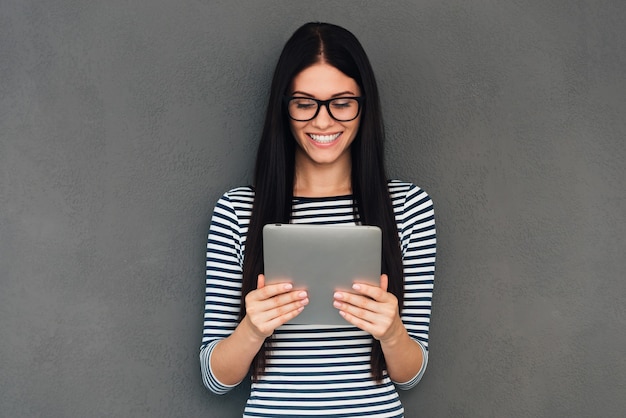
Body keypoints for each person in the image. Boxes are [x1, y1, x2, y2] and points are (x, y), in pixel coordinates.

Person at [200, 22, 436, 417]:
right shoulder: (238, 212)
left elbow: (410, 375)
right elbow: (216, 377)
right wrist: (253, 329)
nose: (324, 121)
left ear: (365, 106)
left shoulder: (408, 207)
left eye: (342, 102)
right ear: (284, 107)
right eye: (305, 103)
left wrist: (392, 331)